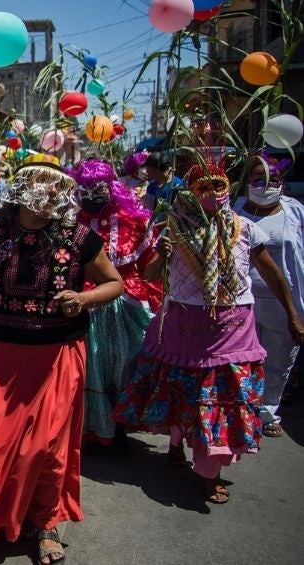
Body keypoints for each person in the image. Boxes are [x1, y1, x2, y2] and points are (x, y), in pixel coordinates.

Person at [0, 154, 123, 564]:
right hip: (2, 358)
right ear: (23, 190)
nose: (52, 195)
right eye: (43, 186)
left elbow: (114, 283)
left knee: (46, 450)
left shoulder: (79, 237)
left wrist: (83, 298)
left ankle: (46, 521)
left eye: (57, 188)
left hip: (57, 357)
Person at [115, 163, 304, 504]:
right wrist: (165, 254)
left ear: (229, 188)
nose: (214, 193)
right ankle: (176, 442)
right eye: (203, 188)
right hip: (183, 325)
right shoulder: (174, 228)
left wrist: (292, 313)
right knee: (179, 388)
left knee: (220, 399)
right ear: (191, 193)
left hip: (233, 326)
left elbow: (272, 273)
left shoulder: (245, 228)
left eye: (219, 185)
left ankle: (209, 471)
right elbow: (152, 275)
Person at [72, 160, 163, 452]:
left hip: (128, 303)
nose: (91, 195)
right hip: (88, 303)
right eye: (84, 190)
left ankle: (123, 421)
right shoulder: (70, 222)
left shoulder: (134, 220)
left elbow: (150, 265)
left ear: (110, 187)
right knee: (93, 365)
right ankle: (96, 428)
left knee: (128, 360)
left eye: (97, 188)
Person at [233, 152, 304, 437]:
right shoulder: (236, 209)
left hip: (284, 300)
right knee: (244, 361)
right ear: (248, 182)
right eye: (258, 179)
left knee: (278, 360)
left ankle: (269, 410)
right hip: (243, 300)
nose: (265, 185)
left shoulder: (295, 211)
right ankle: (245, 409)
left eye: (272, 179)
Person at [142, 153, 184, 219]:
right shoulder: (151, 188)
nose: (146, 171)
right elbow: (147, 213)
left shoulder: (178, 185)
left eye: (147, 167)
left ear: (154, 169)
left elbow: (181, 213)